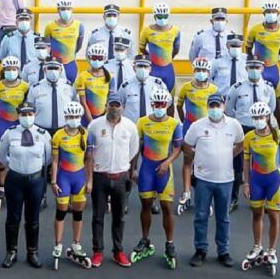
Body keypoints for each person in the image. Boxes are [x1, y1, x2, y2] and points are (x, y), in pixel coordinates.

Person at [183, 93, 245, 268]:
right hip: (203, 179)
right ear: (207, 107)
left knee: (223, 217)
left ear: (224, 106)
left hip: (226, 179)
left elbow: (240, 144)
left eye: (218, 105)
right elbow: (187, 146)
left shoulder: (234, 125)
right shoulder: (197, 126)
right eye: (212, 106)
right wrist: (198, 157)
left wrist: (228, 155)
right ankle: (200, 250)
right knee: (201, 216)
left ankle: (223, 251)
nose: (215, 109)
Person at [240, 102, 280, 275]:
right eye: (255, 117)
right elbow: (246, 161)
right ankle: (257, 246)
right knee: (257, 214)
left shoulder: (277, 135)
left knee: (273, 216)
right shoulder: (248, 137)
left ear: (268, 117)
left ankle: (272, 250)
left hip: (274, 181)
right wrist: (246, 183)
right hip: (256, 180)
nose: (258, 120)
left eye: (261, 117)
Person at [85, 94, 137, 268]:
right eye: (111, 104)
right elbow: (89, 155)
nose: (114, 108)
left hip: (121, 177)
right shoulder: (94, 126)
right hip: (100, 176)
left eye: (118, 105)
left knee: (119, 217)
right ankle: (98, 252)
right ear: (106, 105)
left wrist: (124, 168)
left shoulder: (130, 127)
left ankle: (118, 252)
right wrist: (90, 180)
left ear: (122, 107)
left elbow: (133, 151)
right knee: (98, 217)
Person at [131, 87, 181, 268]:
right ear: (152, 104)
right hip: (147, 169)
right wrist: (134, 168)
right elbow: (137, 146)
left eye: (162, 104)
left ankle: (169, 243)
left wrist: (168, 162)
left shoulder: (174, 124)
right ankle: (145, 240)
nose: (159, 106)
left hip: (164, 170)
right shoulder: (143, 122)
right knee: (145, 205)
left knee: (167, 208)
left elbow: (177, 148)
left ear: (167, 105)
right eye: (156, 104)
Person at [0, 101, 49, 268]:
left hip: (35, 181)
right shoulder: (10, 133)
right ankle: (11, 251)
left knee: (33, 219)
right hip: (15, 180)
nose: (27, 118)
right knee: (13, 218)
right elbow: (1, 156)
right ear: (18, 116)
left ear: (34, 115)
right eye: (23, 114)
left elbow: (47, 159)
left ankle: (32, 252)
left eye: (30, 114)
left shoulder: (43, 134)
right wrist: (15, 165)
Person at [225, 54, 277, 212]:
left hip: (262, 130)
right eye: (251, 67)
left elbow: (272, 108)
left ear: (262, 68)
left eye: (257, 67)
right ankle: (234, 197)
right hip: (243, 129)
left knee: (262, 164)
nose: (254, 70)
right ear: (246, 68)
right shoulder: (237, 87)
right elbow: (228, 110)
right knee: (238, 165)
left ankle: (264, 198)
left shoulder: (268, 87)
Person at [48, 100, 91, 268]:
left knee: (78, 212)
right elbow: (55, 160)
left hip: (79, 178)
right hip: (63, 178)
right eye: (71, 116)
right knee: (61, 211)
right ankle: (58, 244)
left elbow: (89, 160)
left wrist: (89, 181)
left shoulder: (85, 134)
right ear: (66, 117)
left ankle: (76, 243)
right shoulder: (58, 135)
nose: (73, 118)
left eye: (76, 116)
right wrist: (53, 181)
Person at [175, 57, 218, 213]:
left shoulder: (213, 89)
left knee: (205, 162)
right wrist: (185, 122)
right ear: (194, 71)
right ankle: (186, 192)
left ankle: (204, 194)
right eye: (198, 70)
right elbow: (179, 107)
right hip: (189, 128)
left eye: (204, 70)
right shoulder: (186, 87)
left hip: (207, 130)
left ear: (208, 72)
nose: (201, 73)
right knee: (188, 160)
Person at [245, 0, 280, 128]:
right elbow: (248, 48)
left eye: (273, 12)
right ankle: (265, 127)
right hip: (259, 70)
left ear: (278, 13)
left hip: (274, 70)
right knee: (260, 100)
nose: (271, 14)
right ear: (264, 13)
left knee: (277, 101)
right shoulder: (255, 29)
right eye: (268, 12)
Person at [27, 59, 77, 136]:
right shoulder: (35, 88)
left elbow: (75, 105)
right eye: (50, 68)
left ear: (61, 70)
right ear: (44, 69)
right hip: (41, 130)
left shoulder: (69, 87)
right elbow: (30, 109)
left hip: (64, 130)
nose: (53, 71)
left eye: (56, 68)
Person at [43, 0, 85, 84]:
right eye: (63, 9)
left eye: (68, 9)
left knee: (70, 89)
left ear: (72, 10)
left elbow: (79, 45)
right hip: (54, 64)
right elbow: (46, 47)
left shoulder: (79, 26)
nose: (66, 11)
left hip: (70, 64)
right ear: (58, 10)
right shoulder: (50, 27)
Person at [139, 3, 180, 91]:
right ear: (154, 17)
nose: (162, 19)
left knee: (169, 98)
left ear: (168, 16)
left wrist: (169, 58)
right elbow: (141, 48)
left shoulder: (175, 31)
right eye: (160, 17)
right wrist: (149, 57)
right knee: (151, 97)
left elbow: (176, 49)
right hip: (153, 68)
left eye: (165, 17)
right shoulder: (146, 31)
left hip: (168, 68)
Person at [115, 54, 166, 124]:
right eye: (140, 66)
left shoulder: (158, 84)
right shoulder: (126, 86)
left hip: (152, 126)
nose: (143, 69)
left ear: (150, 69)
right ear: (134, 68)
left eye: (145, 66)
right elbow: (119, 105)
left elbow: (167, 103)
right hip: (132, 127)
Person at [75, 44, 112, 125]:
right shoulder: (83, 76)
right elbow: (83, 102)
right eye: (94, 58)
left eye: (100, 58)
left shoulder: (110, 76)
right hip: (86, 117)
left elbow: (110, 99)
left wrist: (105, 116)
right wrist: (91, 122)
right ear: (89, 58)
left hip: (103, 117)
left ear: (105, 58)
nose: (97, 61)